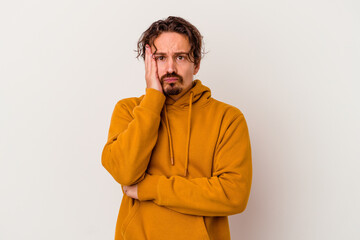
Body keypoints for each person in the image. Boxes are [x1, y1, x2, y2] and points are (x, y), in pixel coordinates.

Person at [101, 16, 252, 240]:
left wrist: (149, 188)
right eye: (161, 58)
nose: (170, 68)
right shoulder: (129, 111)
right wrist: (152, 100)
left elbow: (233, 195)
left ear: (196, 63)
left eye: (180, 57)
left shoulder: (227, 119)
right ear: (149, 63)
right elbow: (124, 172)